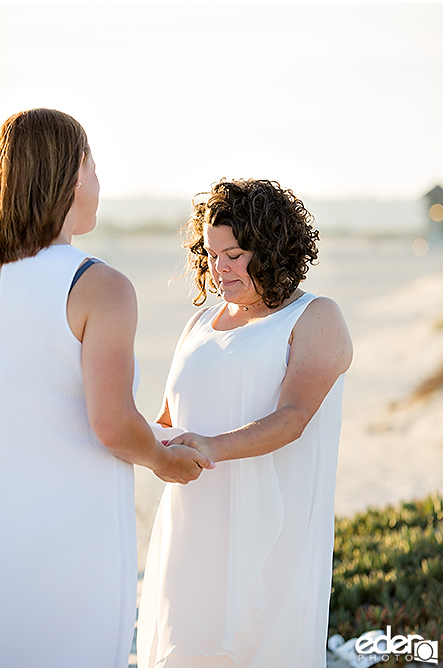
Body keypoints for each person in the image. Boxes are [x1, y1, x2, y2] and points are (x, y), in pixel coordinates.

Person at [0, 108, 213, 668]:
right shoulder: (99, 286)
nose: (99, 181)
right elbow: (112, 423)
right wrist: (163, 461)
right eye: (94, 165)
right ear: (72, 174)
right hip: (74, 524)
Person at [136, 179, 353, 667]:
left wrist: (211, 447)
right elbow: (168, 421)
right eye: (211, 255)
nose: (219, 269)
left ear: (272, 249)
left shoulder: (315, 317)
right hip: (192, 531)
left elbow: (292, 418)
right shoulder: (199, 325)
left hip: (271, 536)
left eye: (233, 255)